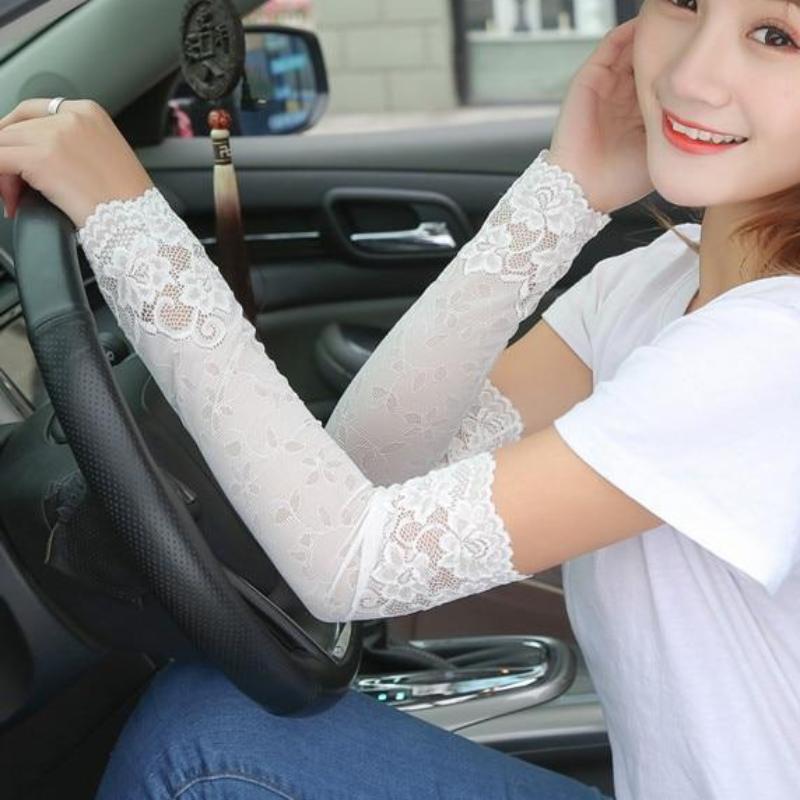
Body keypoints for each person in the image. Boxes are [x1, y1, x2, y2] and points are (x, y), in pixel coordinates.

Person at [0, 0, 798, 796]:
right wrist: (567, 191)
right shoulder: (658, 281)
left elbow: (351, 560)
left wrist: (128, 224)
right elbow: (370, 466)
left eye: (778, 35)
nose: (690, 76)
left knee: (199, 756)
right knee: (207, 723)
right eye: (685, 3)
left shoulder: (772, 349)